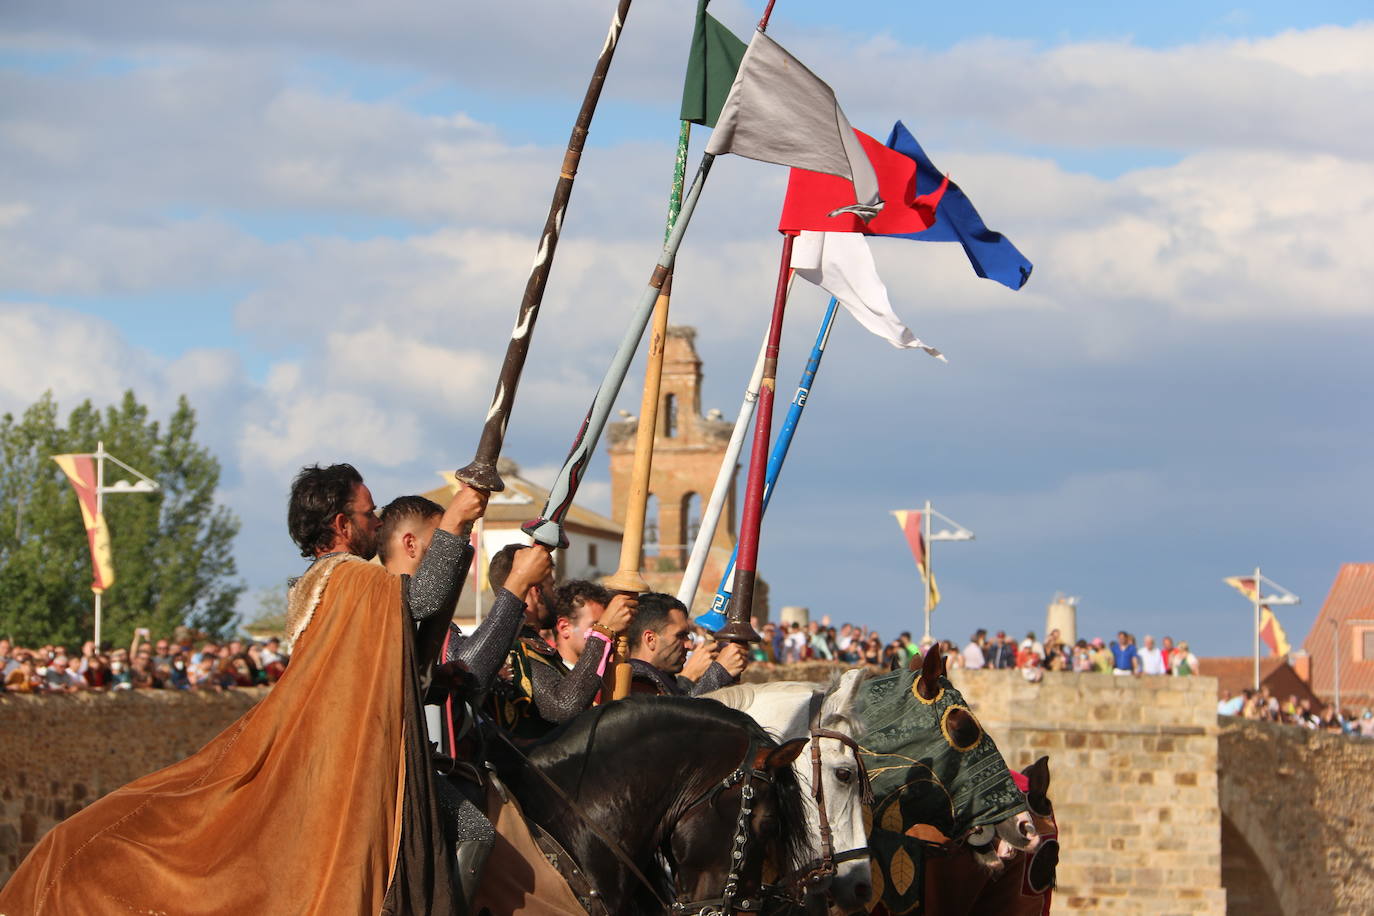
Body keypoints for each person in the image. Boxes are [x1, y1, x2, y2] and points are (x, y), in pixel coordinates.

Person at [0, 462, 506, 915]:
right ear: (341, 524)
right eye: (369, 512)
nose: (376, 522)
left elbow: (397, 649)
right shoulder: (348, 578)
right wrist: (457, 520)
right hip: (344, 761)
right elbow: (421, 598)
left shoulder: (325, 583)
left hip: (343, 751)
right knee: (475, 831)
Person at [628, 592, 747, 695]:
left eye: (687, 636)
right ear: (650, 639)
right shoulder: (635, 682)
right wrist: (718, 673)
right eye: (680, 635)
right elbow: (676, 717)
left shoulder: (664, 678)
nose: (689, 645)